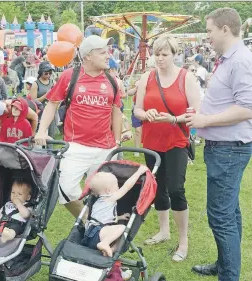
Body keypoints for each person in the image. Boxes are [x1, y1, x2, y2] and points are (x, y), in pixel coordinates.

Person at [186, 8, 252, 281]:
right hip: (224, 147)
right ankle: (226, 265)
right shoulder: (229, 59)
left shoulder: (240, 61)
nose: (208, 36)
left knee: (221, 216)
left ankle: (229, 274)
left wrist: (206, 119)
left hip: (228, 149)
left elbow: (247, 108)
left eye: (210, 30)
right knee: (229, 211)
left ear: (225, 29)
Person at [34, 35, 122, 218]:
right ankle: (88, 220)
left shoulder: (112, 80)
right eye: (103, 52)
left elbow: (116, 111)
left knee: (105, 194)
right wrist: (42, 130)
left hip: (104, 148)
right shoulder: (70, 76)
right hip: (75, 146)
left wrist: (118, 141)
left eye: (108, 52)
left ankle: (101, 230)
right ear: (88, 56)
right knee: (65, 192)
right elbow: (52, 104)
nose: (108, 56)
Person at [134, 35, 200, 262]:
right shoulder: (147, 77)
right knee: (157, 189)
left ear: (174, 54)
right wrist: (147, 114)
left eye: (165, 54)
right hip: (152, 142)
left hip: (176, 141)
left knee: (176, 189)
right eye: (157, 54)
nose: (160, 59)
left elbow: (195, 112)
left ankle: (183, 241)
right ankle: (163, 231)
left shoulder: (186, 77)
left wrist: (174, 119)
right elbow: (137, 110)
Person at [82, 166, 148, 257]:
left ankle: (111, 250)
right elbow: (126, 187)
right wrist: (138, 173)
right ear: (108, 191)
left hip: (88, 235)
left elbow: (104, 218)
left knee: (120, 235)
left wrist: (120, 217)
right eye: (117, 185)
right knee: (122, 228)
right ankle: (104, 244)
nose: (118, 187)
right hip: (98, 233)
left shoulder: (98, 202)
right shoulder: (110, 198)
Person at [0, 179, 32, 243]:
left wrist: (18, 204)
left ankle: (7, 236)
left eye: (19, 194)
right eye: (13, 192)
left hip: (15, 225)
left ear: (28, 197)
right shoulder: (7, 204)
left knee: (15, 228)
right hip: (1, 224)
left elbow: (25, 215)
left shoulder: (27, 206)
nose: (15, 195)